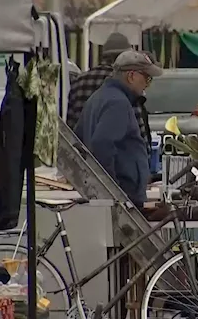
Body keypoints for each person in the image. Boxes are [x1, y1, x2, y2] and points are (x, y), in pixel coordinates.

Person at [74, 50, 163, 207]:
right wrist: (113, 191)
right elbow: (102, 144)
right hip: (124, 196)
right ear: (131, 76)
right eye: (147, 78)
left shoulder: (98, 97)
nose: (147, 85)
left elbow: (78, 140)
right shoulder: (118, 103)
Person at [67, 32, 131, 129]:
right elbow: (136, 124)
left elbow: (70, 122)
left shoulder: (79, 81)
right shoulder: (124, 83)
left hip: (81, 142)